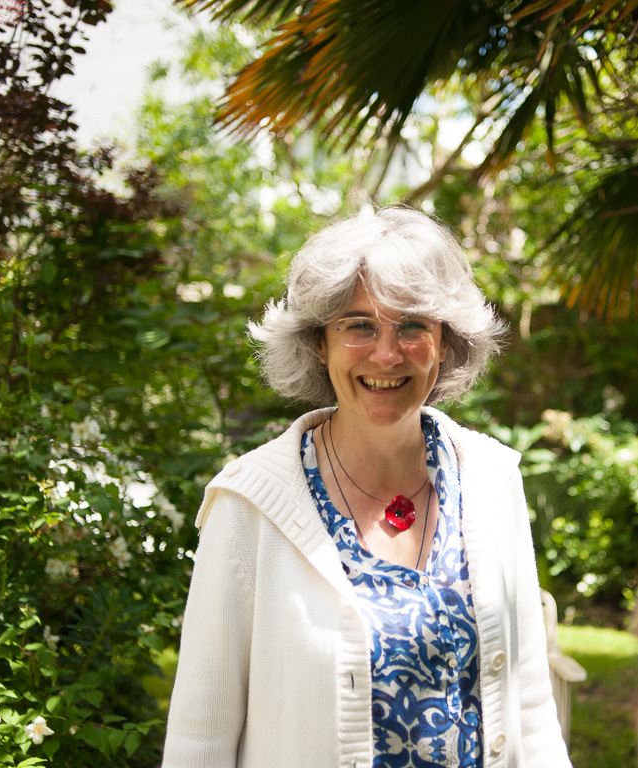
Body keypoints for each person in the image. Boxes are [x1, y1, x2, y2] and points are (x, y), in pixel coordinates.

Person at [162, 206, 572, 768]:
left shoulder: (492, 478)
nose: (387, 353)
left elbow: (530, 708)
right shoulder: (249, 504)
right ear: (317, 344)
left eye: (413, 325)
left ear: (445, 342)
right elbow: (198, 741)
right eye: (358, 325)